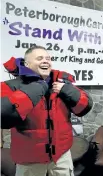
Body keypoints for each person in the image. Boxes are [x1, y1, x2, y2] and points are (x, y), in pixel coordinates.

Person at [1, 45, 93, 176]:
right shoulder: (10, 86)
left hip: (61, 157)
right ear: (27, 63)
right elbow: (4, 116)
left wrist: (67, 90)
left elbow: (85, 107)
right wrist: (37, 88)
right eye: (39, 58)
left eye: (48, 58)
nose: (45, 61)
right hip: (29, 160)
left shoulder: (61, 83)